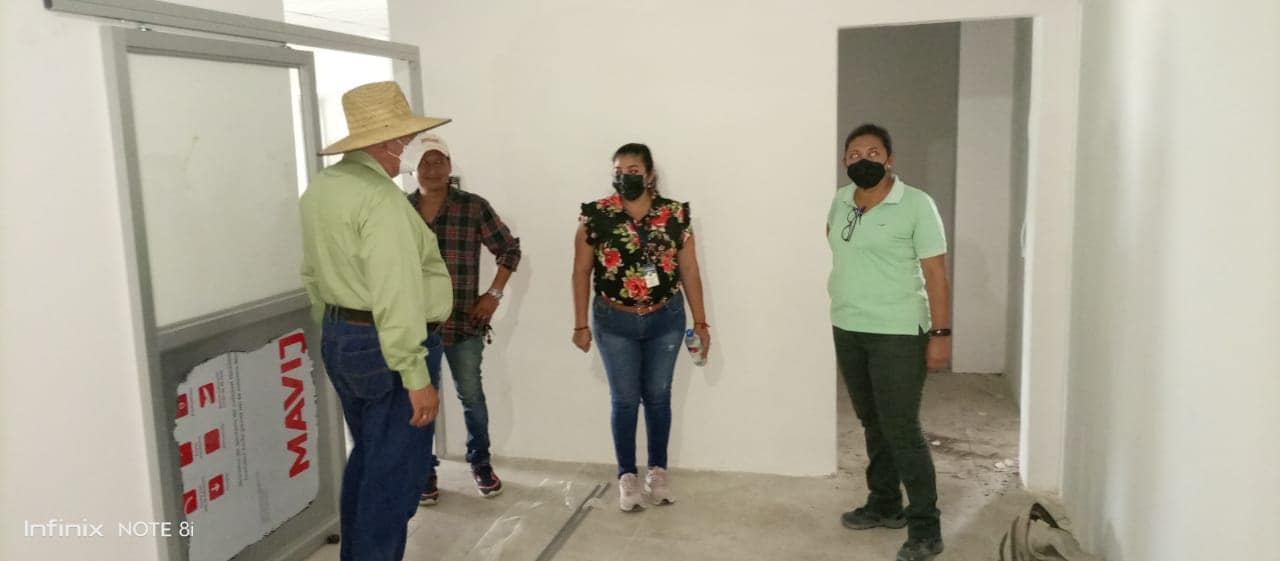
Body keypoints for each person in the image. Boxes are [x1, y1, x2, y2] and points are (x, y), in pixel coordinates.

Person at [299, 81, 453, 561]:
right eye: (404, 140)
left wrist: (337, 329)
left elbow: (311, 273)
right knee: (394, 480)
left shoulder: (322, 188)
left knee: (369, 460)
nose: (407, 149)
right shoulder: (381, 199)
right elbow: (395, 290)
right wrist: (415, 373)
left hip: (343, 337)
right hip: (389, 346)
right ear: (387, 142)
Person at [827, 123, 951, 561]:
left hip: (898, 333)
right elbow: (837, 245)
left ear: (890, 159)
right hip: (849, 327)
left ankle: (926, 529)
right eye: (854, 154)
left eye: (873, 153)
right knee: (872, 422)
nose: (863, 160)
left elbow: (936, 274)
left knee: (901, 429)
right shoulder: (841, 200)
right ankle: (884, 503)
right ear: (844, 161)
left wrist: (940, 334)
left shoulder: (916, 204)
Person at [571, 143, 711, 512]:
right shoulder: (595, 216)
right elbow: (581, 271)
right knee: (625, 400)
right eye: (619, 171)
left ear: (649, 175)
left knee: (659, 396)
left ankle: (658, 472)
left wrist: (701, 322)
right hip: (613, 322)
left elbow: (690, 270)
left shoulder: (674, 215)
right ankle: (627, 476)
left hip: (665, 319)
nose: (625, 177)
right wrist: (580, 324)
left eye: (633, 170)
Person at [407, 134, 522, 504]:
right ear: (413, 169)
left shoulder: (473, 207)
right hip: (414, 326)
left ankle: (481, 463)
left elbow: (509, 249)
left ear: (449, 165)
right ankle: (423, 470)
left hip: (463, 323)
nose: (432, 169)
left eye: (439, 161)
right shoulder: (399, 210)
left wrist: (494, 294)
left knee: (471, 396)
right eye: (425, 162)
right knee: (420, 402)